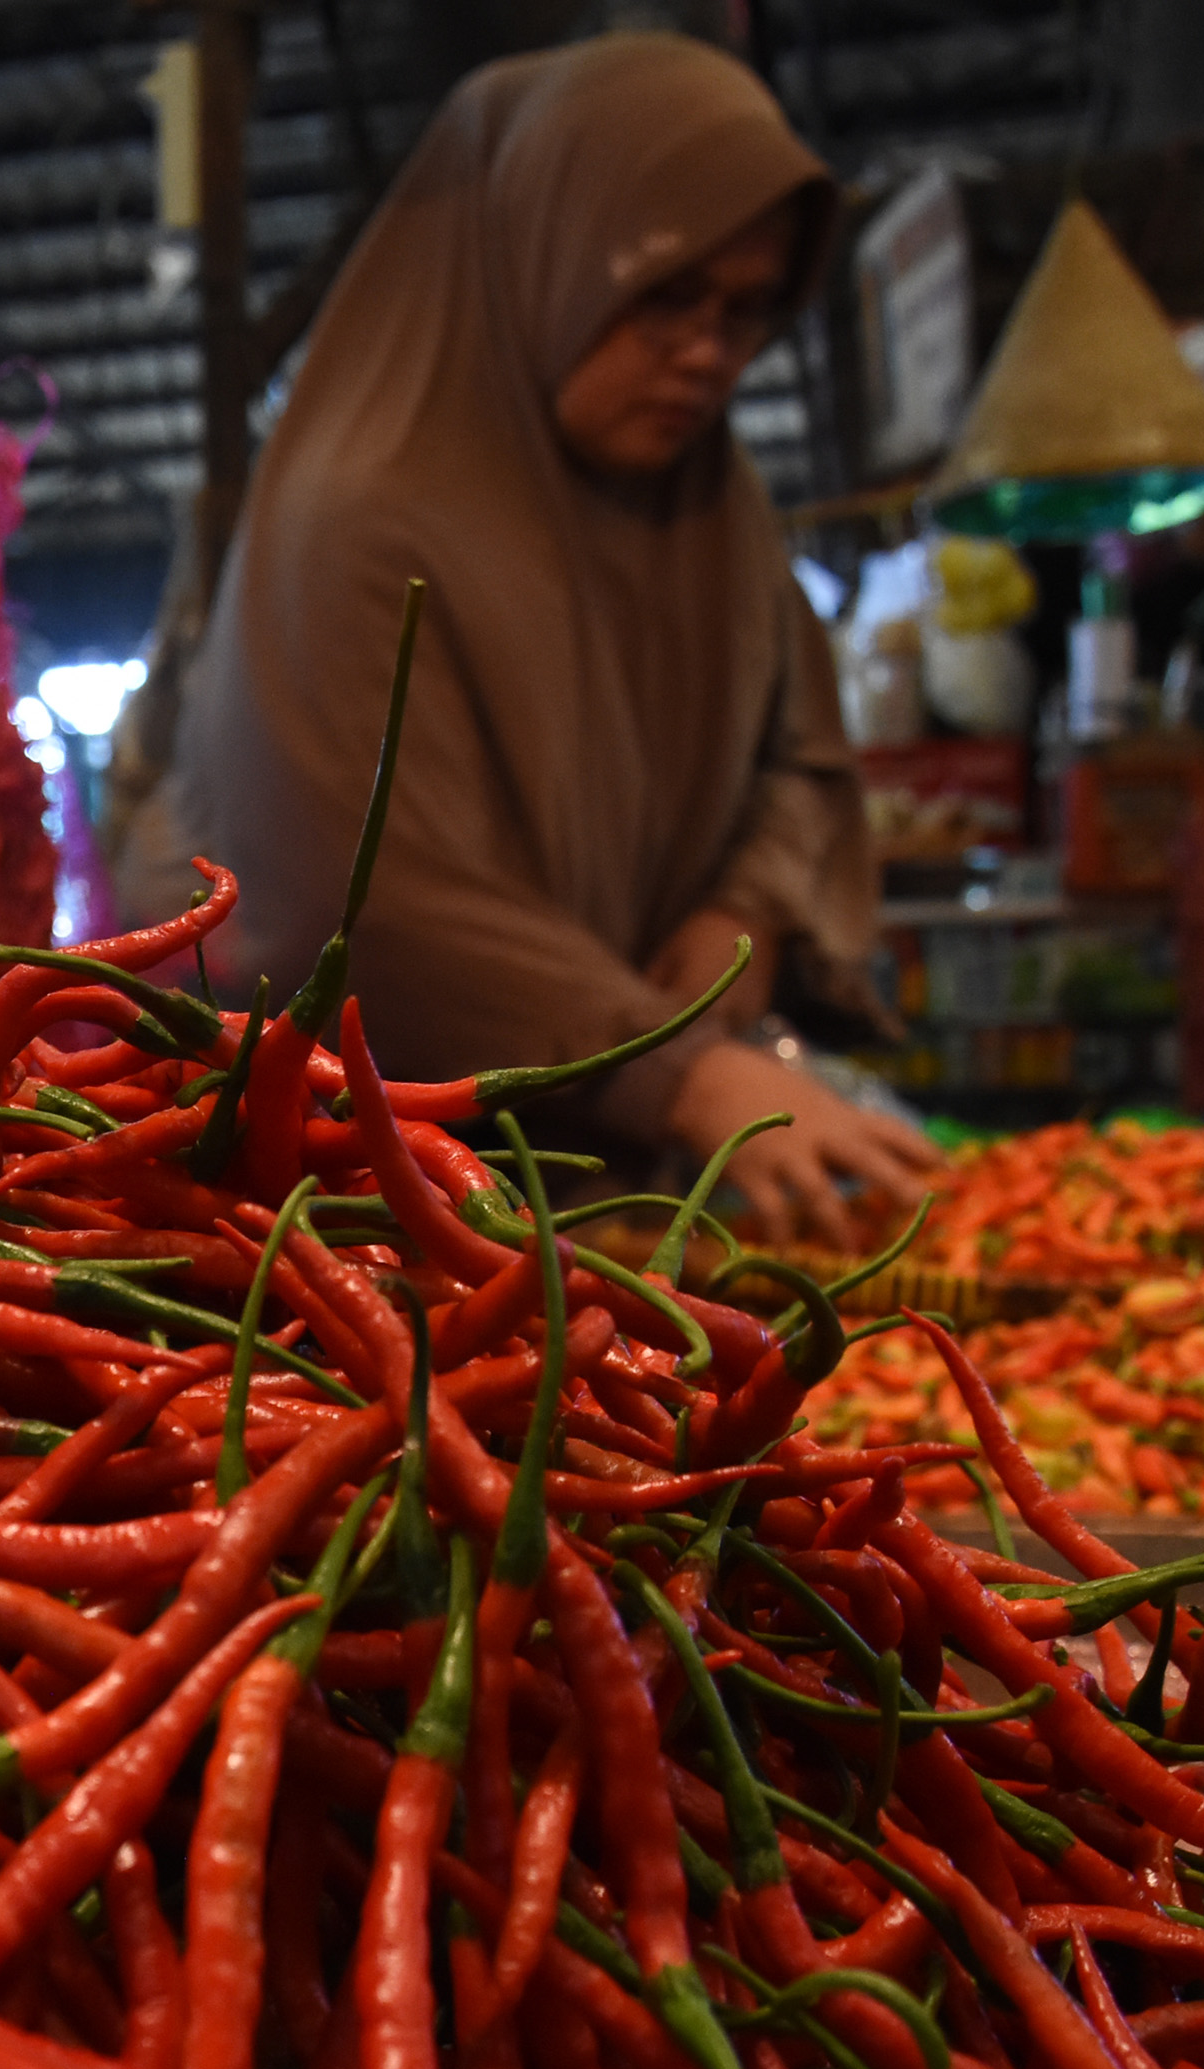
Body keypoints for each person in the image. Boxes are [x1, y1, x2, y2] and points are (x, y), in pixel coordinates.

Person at [126, 33, 942, 1246]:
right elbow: (364, 900)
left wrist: (742, 910)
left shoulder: (718, 509)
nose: (708, 353)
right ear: (544, 252)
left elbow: (797, 754)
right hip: (356, 1203)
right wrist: (686, 1074)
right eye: (662, 294)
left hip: (602, 1178)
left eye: (744, 309)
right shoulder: (353, 518)